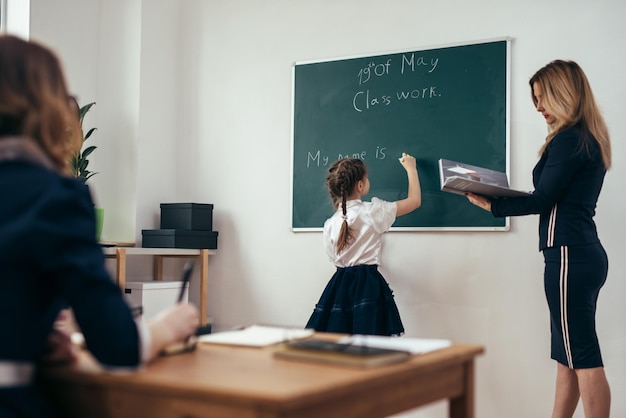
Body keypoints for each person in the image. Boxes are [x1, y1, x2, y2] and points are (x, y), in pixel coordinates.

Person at [0, 34, 200, 418]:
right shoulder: (56, 198)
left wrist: (28, 332)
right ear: (49, 107)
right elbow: (117, 346)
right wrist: (166, 328)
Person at [465, 60, 611, 418]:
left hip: (568, 256)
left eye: (542, 97)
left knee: (583, 355)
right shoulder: (585, 139)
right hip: (579, 254)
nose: (538, 107)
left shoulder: (568, 140)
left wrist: (493, 204)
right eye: (534, 100)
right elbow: (551, 196)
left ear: (564, 94)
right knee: (568, 353)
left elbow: (542, 198)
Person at [306, 152, 421, 336]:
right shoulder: (372, 212)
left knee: (340, 339)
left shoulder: (330, 224)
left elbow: (332, 257)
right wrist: (411, 169)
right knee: (370, 336)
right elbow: (414, 202)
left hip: (339, 285)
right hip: (367, 284)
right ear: (360, 185)